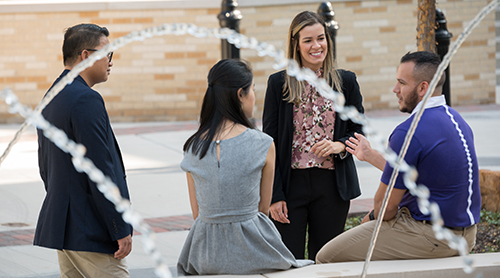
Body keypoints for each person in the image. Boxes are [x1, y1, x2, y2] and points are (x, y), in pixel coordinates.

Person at [316, 51, 481, 263]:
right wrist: (370, 155)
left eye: (401, 83)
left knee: (327, 257)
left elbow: (386, 206)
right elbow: (411, 173)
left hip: (431, 237)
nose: (395, 90)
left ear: (422, 88)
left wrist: (369, 220)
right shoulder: (457, 120)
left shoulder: (408, 131)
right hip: (466, 235)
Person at [177, 59, 313, 276]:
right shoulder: (263, 143)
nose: (254, 97)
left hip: (204, 255)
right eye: (253, 90)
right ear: (241, 94)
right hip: (255, 253)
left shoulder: (193, 147)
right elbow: (262, 209)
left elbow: (198, 214)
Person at [262, 11, 364, 261]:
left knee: (326, 259)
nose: (316, 46)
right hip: (291, 184)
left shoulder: (346, 82)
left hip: (332, 185)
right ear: (295, 43)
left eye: (321, 38)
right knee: (288, 260)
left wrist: (339, 145)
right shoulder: (279, 84)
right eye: (308, 40)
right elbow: (269, 143)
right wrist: (275, 196)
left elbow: (358, 130)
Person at [35, 23, 133, 277]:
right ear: (86, 56)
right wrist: (119, 226)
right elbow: (100, 168)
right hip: (90, 232)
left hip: (65, 228)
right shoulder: (85, 99)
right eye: (107, 53)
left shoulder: (52, 95)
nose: (111, 61)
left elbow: (45, 165)